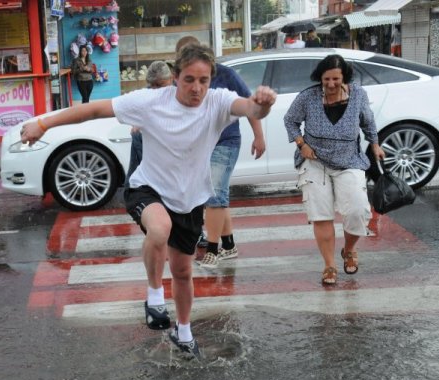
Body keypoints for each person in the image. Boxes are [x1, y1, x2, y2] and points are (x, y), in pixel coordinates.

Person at [21, 43, 277, 358]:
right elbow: (92, 110)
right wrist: (43, 124)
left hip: (190, 199)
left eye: (203, 80)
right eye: (188, 80)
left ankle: (184, 333)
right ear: (175, 76)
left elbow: (251, 110)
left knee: (183, 271)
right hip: (147, 189)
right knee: (159, 229)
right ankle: (154, 297)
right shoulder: (150, 102)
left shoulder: (219, 101)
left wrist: (262, 104)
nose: (196, 88)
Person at [283, 54, 385, 285]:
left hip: (349, 160)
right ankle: (329, 265)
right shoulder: (307, 97)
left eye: (335, 79)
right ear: (320, 77)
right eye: (326, 79)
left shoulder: (358, 94)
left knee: (358, 211)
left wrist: (375, 145)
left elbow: (367, 121)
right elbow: (290, 120)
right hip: (315, 161)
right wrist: (302, 145)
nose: (330, 84)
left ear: (344, 78)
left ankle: (348, 249)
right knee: (321, 215)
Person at [175, 36, 266, 270]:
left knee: (215, 194)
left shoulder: (225, 75)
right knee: (215, 194)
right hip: (200, 144)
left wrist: (259, 136)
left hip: (225, 141)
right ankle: (229, 244)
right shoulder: (180, 78)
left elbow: (249, 105)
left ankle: (213, 250)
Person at [125, 61, 174, 184]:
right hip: (149, 143)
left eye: (160, 84)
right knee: (137, 136)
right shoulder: (147, 92)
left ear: (171, 78)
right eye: (153, 85)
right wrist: (138, 122)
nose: (156, 89)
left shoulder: (181, 93)